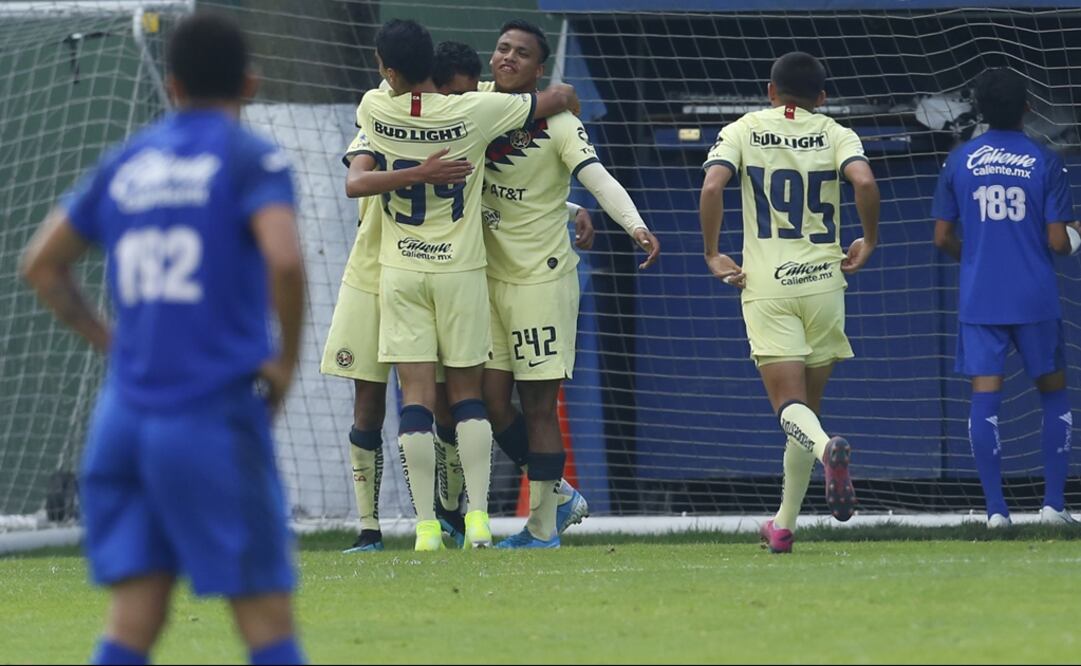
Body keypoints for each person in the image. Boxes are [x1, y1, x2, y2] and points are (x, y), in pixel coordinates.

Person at [19, 13, 306, 664]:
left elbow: (40, 262)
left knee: (134, 618)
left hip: (121, 419)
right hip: (209, 412)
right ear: (251, 83)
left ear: (171, 86)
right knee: (265, 619)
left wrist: (111, 341)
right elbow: (285, 261)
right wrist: (285, 362)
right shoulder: (250, 156)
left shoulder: (127, 161)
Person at [350, 19, 579, 550]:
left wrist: (413, 170)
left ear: (387, 69)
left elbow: (357, 176)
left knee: (418, 400)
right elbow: (556, 98)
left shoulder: (371, 108)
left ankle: (428, 525)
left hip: (402, 270)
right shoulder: (476, 111)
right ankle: (477, 520)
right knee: (470, 397)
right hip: (462, 271)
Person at [475, 20, 660, 549]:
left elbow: (595, 174)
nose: (507, 57)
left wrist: (634, 224)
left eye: (521, 53)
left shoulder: (557, 120)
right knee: (490, 400)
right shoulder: (476, 105)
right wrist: (572, 208)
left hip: (542, 281)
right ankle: (560, 494)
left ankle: (541, 527)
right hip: (486, 280)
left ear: (539, 69)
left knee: (537, 405)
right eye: (502, 47)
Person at [698, 51, 880, 554]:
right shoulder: (836, 131)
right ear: (822, 97)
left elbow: (713, 184)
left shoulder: (744, 127)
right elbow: (864, 181)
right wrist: (868, 239)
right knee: (807, 411)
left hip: (768, 285)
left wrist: (713, 253)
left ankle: (827, 452)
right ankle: (783, 525)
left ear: (770, 91)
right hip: (824, 282)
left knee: (791, 410)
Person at [321, 41, 484, 554]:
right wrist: (419, 172)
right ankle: (369, 530)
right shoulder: (379, 113)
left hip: (420, 271)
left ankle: (449, 517)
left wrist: (570, 210)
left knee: (440, 402)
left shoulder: (462, 117)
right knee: (368, 401)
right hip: (370, 276)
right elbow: (357, 178)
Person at [932, 67, 1078, 528]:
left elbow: (941, 237)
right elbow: (1059, 242)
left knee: (984, 399)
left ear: (979, 109)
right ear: (1028, 108)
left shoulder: (959, 159)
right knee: (1053, 397)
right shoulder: (1045, 159)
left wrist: (974, 258)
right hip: (1035, 297)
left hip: (981, 297)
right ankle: (1054, 506)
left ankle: (997, 512)